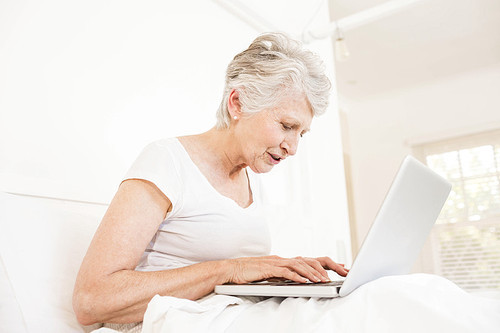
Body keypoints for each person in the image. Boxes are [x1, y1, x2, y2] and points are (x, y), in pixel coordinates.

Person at [72, 32, 349, 327]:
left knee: (360, 301)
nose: (292, 147)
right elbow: (92, 300)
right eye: (286, 126)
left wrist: (284, 272)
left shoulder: (251, 178)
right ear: (237, 103)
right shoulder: (167, 161)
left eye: (301, 134)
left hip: (234, 318)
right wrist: (230, 270)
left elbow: (236, 274)